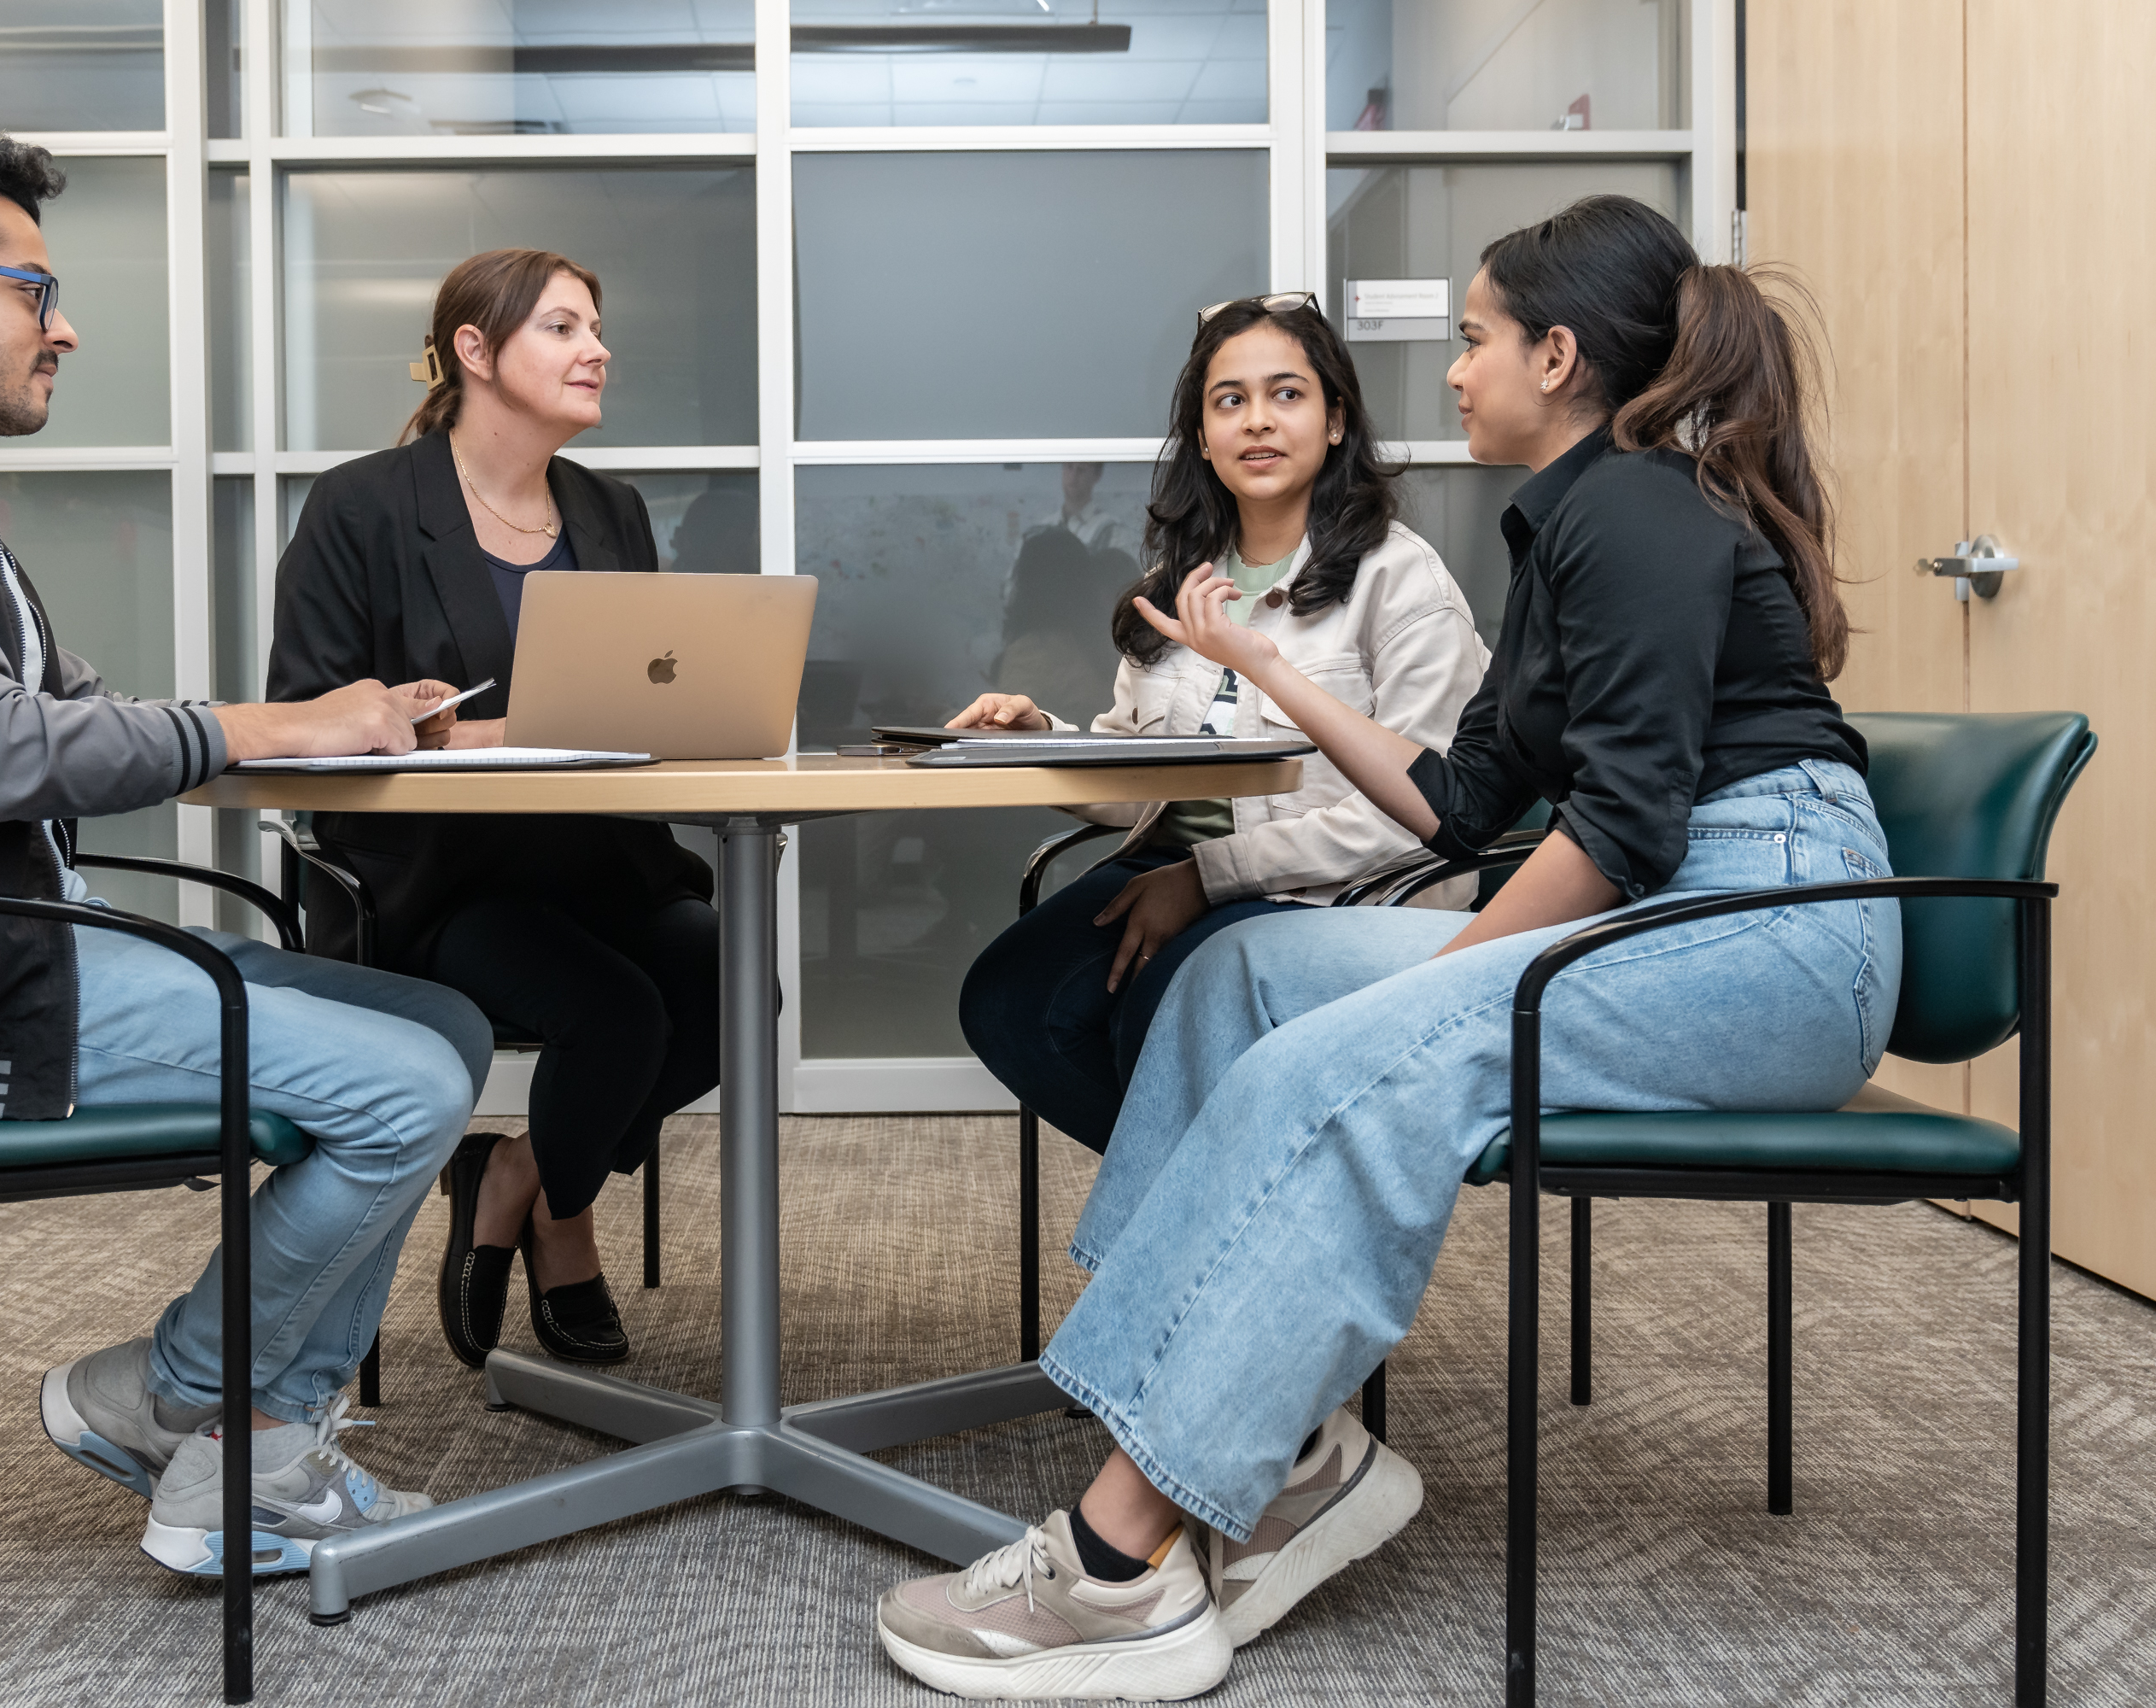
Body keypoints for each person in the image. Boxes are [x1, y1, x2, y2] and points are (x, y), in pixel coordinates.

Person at [878, 196, 1899, 1699]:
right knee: (1239, 969)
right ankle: (1276, 1445)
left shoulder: (1632, 506)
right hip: (1685, 905)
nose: (1457, 372)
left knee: (1364, 1052)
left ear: (1557, 356)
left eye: (1476, 340)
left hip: (1774, 931)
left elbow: (1622, 823)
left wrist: (1446, 978)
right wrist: (1267, 667)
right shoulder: (1562, 528)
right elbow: (1458, 794)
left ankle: (1118, 1574)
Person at [0, 129, 494, 1580]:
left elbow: (58, 721)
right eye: (30, 288)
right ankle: (197, 1408)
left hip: (19, 947)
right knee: (411, 1090)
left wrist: (330, 730)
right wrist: (274, 722)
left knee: (442, 1022)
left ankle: (249, 1443)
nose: (63, 324)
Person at [268, 248, 719, 1372]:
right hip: (438, 876)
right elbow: (300, 718)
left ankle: (518, 1174)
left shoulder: (610, 512)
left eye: (596, 326)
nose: (597, 348)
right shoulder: (364, 506)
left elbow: (634, 693)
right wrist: (442, 732)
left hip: (600, 861)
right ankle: (565, 1230)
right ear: (474, 351)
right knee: (615, 1016)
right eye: (564, 327)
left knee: (727, 983)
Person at [949, 294, 1490, 1154]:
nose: (1258, 422)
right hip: (1177, 864)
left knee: (1164, 1021)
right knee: (1009, 1001)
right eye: (1229, 400)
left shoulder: (1402, 580)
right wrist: (1037, 737)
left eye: (1288, 394)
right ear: (1202, 434)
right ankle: (1232, 1205)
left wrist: (1208, 878)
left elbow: (1427, 808)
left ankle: (1201, 1242)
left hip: (1329, 888)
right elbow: (1142, 779)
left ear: (1337, 417)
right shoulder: (1177, 582)